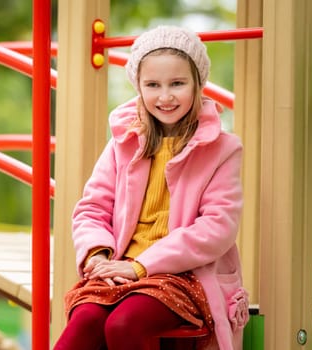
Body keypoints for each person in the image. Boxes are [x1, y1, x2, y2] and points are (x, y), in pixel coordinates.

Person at [53, 25, 249, 350]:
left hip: (181, 273)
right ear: (139, 87)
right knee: (85, 321)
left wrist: (140, 267)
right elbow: (92, 208)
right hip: (119, 265)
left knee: (124, 323)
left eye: (177, 83)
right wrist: (98, 256)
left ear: (197, 84)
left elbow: (217, 227)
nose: (165, 96)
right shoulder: (124, 141)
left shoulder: (222, 148)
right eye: (153, 85)